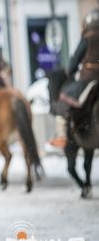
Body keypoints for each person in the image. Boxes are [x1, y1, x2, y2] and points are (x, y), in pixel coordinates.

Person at [49, 8, 99, 148]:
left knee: (62, 100)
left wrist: (70, 71)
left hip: (88, 80)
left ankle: (62, 136)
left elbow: (72, 65)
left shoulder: (87, 38)